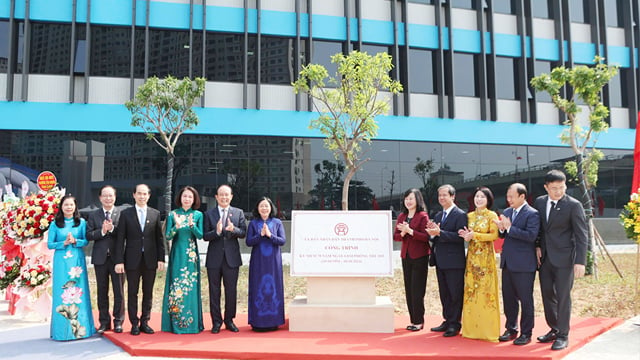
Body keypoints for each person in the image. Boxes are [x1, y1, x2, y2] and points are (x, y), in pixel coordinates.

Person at [533, 170, 588, 350]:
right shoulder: (540, 202)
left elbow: (582, 235)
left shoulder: (574, 205)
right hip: (546, 258)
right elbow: (540, 228)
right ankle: (554, 328)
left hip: (565, 259)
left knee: (563, 297)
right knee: (548, 295)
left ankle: (563, 335)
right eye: (554, 188)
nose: (558, 191)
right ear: (546, 187)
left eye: (562, 187)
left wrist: (580, 261)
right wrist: (537, 245)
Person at [114, 184, 165, 336]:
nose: (142, 196)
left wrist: (161, 258)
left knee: (148, 292)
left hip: (150, 259)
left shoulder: (155, 214)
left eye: (145, 194)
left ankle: (145, 322)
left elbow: (159, 239)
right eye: (139, 194)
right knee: (132, 292)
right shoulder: (126, 214)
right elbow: (120, 239)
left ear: (149, 196)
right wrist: (119, 260)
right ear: (134, 195)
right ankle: (134, 323)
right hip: (131, 260)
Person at [494, 183, 540, 345]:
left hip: (524, 264)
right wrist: (501, 229)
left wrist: (510, 228)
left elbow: (531, 236)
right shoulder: (507, 212)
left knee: (526, 299)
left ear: (522, 196)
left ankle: (526, 332)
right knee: (509, 298)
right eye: (507, 196)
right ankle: (511, 328)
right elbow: (503, 235)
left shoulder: (532, 214)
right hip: (508, 262)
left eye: (512, 196)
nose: (509, 200)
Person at [48, 194, 96, 341]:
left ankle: (82, 330)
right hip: (61, 262)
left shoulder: (81, 222)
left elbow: (86, 241)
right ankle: (62, 332)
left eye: (71, 205)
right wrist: (64, 243)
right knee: (62, 292)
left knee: (79, 293)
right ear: (61, 207)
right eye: (66, 205)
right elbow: (50, 244)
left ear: (75, 207)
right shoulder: (55, 224)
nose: (68, 207)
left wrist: (75, 241)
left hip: (77, 262)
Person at [203, 184, 247, 333]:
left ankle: (229, 320)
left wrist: (233, 229)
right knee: (214, 291)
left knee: (231, 291)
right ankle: (216, 322)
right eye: (221, 195)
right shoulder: (209, 214)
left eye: (226, 195)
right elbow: (205, 236)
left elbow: (243, 233)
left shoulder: (238, 212)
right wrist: (216, 231)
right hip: (214, 259)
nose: (224, 197)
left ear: (231, 196)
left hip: (232, 259)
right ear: (216, 197)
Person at [458, 186, 500, 342]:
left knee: (486, 292)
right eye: (477, 196)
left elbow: (494, 235)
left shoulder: (492, 215)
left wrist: (474, 235)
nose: (479, 199)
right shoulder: (468, 216)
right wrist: (465, 236)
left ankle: (487, 330)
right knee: (471, 292)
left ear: (488, 200)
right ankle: (471, 330)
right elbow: (464, 233)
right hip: (472, 259)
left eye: (482, 197)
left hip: (486, 260)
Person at [161, 186, 204, 334]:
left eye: (190, 197)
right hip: (177, 254)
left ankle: (192, 324)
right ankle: (175, 323)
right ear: (180, 198)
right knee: (176, 286)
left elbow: (200, 236)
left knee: (190, 288)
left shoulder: (198, 215)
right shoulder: (173, 214)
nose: (187, 199)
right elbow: (167, 236)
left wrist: (192, 226)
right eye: (185, 196)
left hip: (191, 255)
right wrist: (176, 227)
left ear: (194, 199)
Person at [425, 184, 467, 337]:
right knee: (444, 293)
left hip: (454, 261)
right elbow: (435, 236)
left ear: (453, 196)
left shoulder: (460, 214)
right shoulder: (438, 215)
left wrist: (440, 232)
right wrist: (431, 233)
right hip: (441, 259)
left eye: (445, 195)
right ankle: (447, 319)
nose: (441, 198)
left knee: (455, 293)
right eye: (440, 196)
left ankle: (455, 324)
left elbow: (459, 237)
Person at [86, 185, 125, 334]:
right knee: (102, 291)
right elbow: (89, 235)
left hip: (117, 259)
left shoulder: (122, 214)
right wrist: (102, 231)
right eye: (105, 196)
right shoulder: (94, 215)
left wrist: (113, 229)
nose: (108, 198)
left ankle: (118, 321)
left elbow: (125, 234)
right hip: (100, 258)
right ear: (100, 198)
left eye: (111, 196)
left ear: (115, 197)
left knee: (119, 291)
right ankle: (104, 322)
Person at [246, 196, 286, 332]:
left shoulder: (277, 222)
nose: (264, 208)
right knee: (257, 286)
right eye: (261, 206)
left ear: (271, 208)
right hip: (258, 261)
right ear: (257, 208)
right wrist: (260, 235)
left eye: (266, 206)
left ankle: (274, 321)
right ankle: (257, 322)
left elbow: (282, 241)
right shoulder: (253, 223)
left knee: (275, 287)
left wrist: (269, 235)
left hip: (273, 262)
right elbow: (248, 242)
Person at [393, 188, 430, 331]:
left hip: (420, 256)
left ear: (417, 200)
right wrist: (402, 233)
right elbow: (395, 236)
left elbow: (426, 237)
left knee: (417, 289)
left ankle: (419, 321)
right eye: (406, 198)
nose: (408, 201)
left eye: (411, 199)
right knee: (409, 289)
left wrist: (411, 231)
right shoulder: (402, 216)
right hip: (406, 256)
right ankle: (413, 320)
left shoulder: (423, 216)